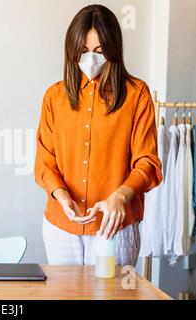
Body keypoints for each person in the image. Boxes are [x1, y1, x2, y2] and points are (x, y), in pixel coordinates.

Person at [34, 4, 162, 266]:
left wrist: (120, 196)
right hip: (61, 227)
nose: (90, 59)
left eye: (100, 52)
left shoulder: (137, 95)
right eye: (83, 51)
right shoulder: (54, 97)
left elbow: (147, 162)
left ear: (113, 50)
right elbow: (45, 162)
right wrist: (61, 195)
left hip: (114, 228)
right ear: (72, 50)